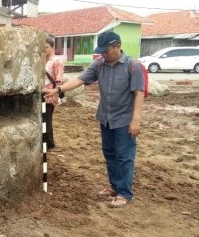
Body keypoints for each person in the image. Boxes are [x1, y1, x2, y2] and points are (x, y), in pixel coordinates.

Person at [43, 31, 145, 208]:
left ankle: (125, 193)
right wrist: (57, 90)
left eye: (106, 51)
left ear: (117, 47)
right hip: (105, 118)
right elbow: (80, 79)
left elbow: (139, 93)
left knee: (125, 157)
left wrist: (135, 119)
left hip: (124, 120)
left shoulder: (133, 66)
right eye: (102, 51)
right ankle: (114, 186)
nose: (103, 54)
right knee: (109, 153)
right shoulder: (99, 64)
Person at [43, 35, 64, 149]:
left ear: (52, 47)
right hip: (42, 94)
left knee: (47, 118)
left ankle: (49, 143)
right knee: (43, 118)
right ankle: (45, 141)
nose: (44, 49)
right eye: (43, 47)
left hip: (50, 95)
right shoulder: (42, 60)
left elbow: (59, 80)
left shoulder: (57, 61)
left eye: (46, 47)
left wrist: (56, 95)